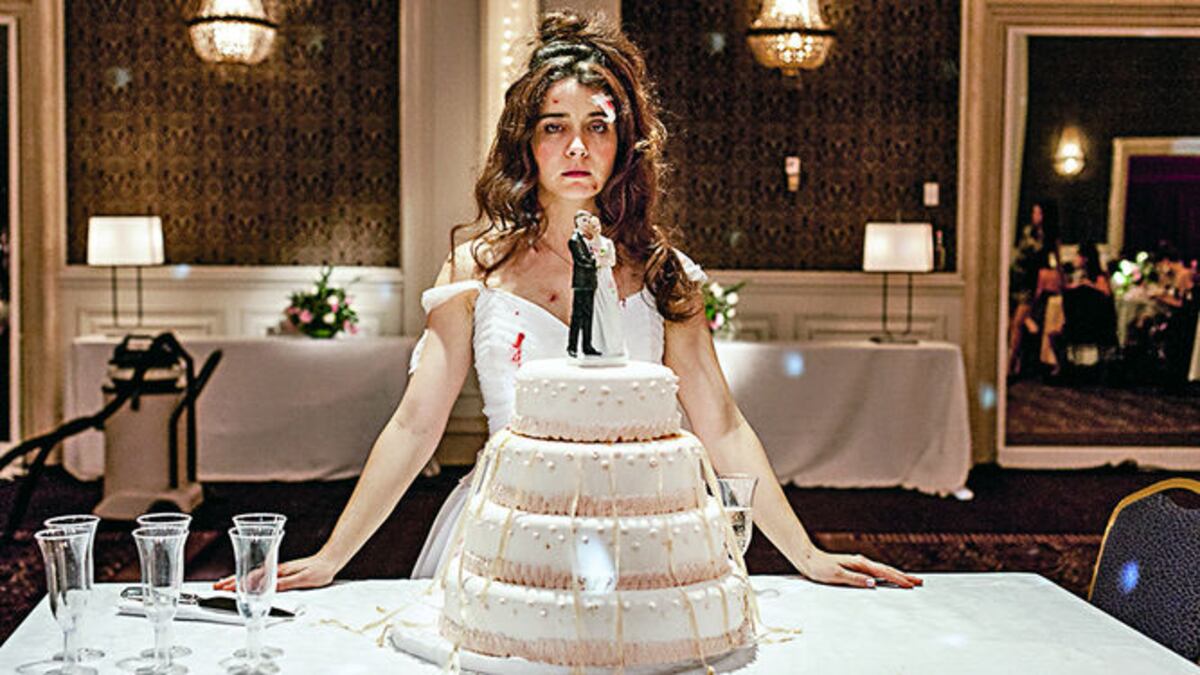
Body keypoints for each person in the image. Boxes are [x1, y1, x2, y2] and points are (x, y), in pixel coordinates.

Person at [217, 12, 921, 593]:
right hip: (511, 525)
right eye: (554, 125)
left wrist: (808, 554)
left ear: (625, 144)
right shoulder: (475, 268)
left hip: (642, 530)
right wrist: (332, 555)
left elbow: (724, 425)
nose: (577, 146)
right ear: (527, 141)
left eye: (598, 125)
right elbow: (414, 424)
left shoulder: (665, 274)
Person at [580, 211, 627, 360]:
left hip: (605, 276)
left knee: (609, 307)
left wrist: (600, 261)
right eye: (592, 226)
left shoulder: (607, 243)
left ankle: (613, 344)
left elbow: (612, 260)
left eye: (597, 225)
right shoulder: (586, 244)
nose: (595, 228)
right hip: (591, 277)